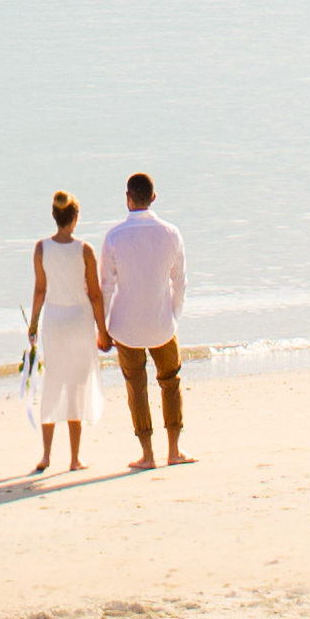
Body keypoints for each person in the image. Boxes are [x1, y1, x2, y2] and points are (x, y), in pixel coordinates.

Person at [96, 169, 190, 467]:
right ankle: (174, 451)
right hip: (162, 325)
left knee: (136, 387)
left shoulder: (114, 237)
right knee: (170, 382)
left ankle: (148, 455)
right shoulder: (171, 233)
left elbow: (105, 288)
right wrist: (172, 315)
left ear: (127, 198)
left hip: (126, 327)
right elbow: (181, 283)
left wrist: (103, 329)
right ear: (153, 197)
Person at [17, 188, 110, 475]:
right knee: (75, 387)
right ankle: (74, 459)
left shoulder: (41, 248)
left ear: (54, 216)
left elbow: (40, 290)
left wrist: (32, 324)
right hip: (80, 320)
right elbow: (95, 295)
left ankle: (45, 455)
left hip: (55, 320)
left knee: (53, 383)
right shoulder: (85, 250)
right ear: (75, 218)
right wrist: (103, 331)